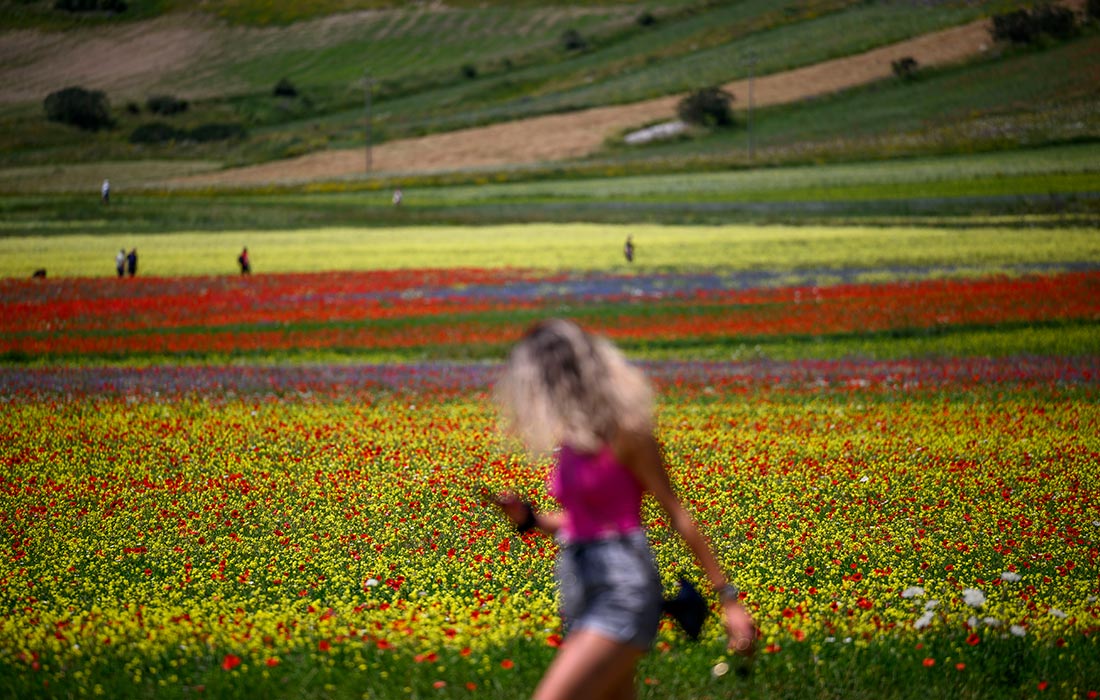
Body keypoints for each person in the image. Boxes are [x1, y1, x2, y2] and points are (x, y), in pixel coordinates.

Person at [493, 319, 755, 700]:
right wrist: (530, 518)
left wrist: (728, 599)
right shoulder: (573, 440)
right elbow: (581, 521)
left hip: (622, 588)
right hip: (580, 588)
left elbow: (676, 514)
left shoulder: (628, 433)